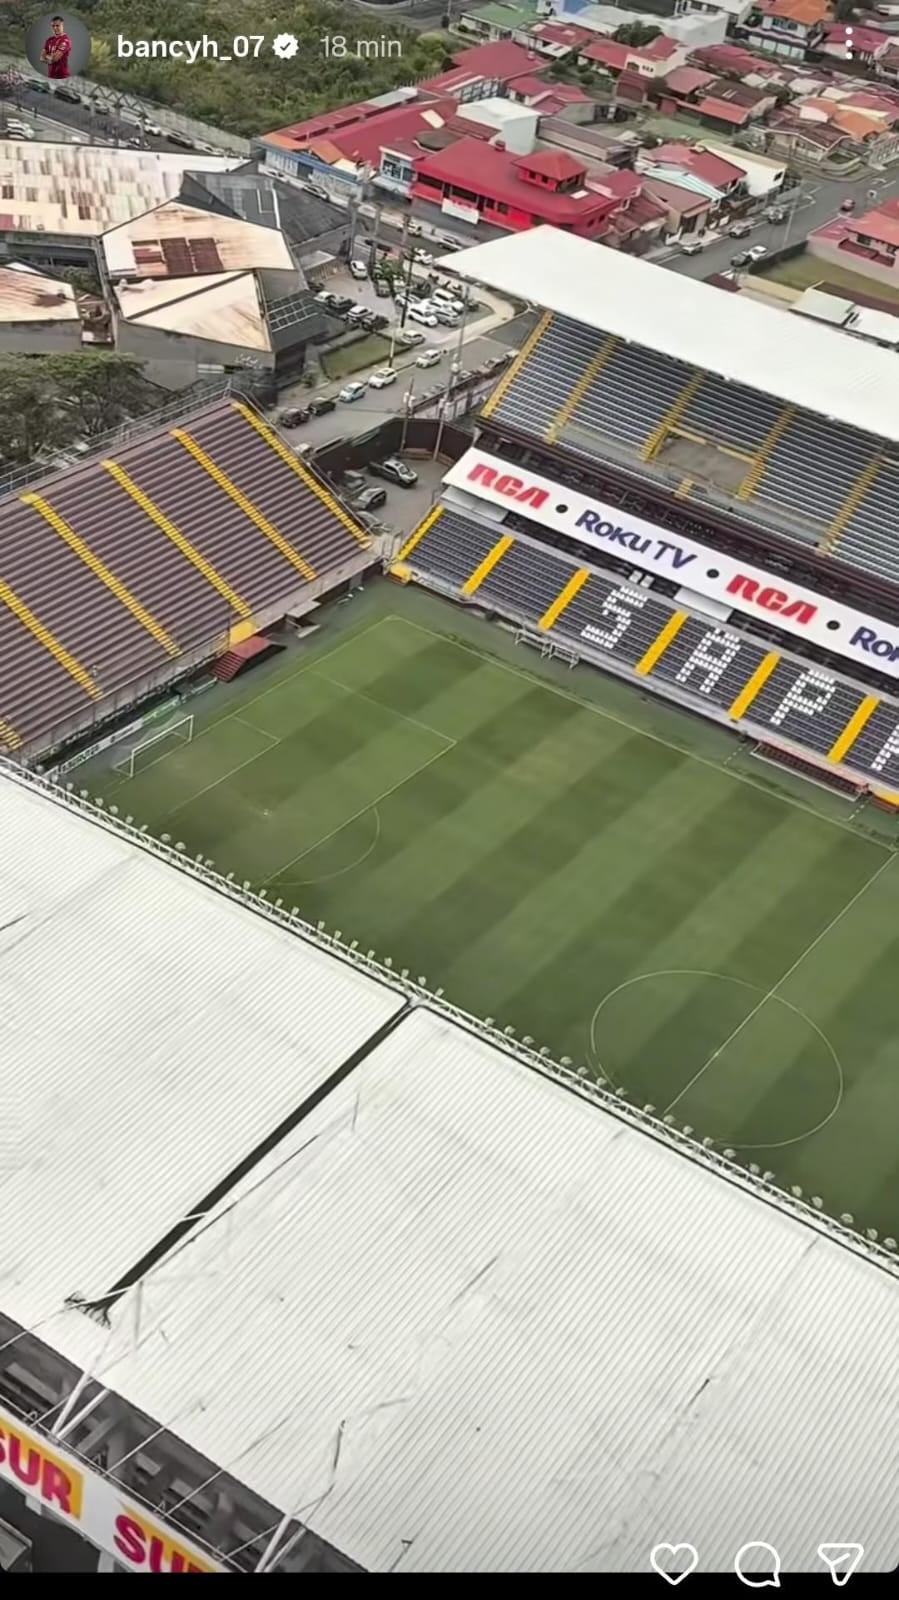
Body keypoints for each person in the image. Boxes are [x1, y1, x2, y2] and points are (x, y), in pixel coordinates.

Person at [41, 17, 71, 81]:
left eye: (57, 26)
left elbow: (55, 59)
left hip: (62, 76)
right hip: (51, 75)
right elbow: (41, 58)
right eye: (53, 26)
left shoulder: (65, 41)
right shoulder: (49, 40)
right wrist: (50, 58)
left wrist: (47, 56)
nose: (55, 28)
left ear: (62, 26)